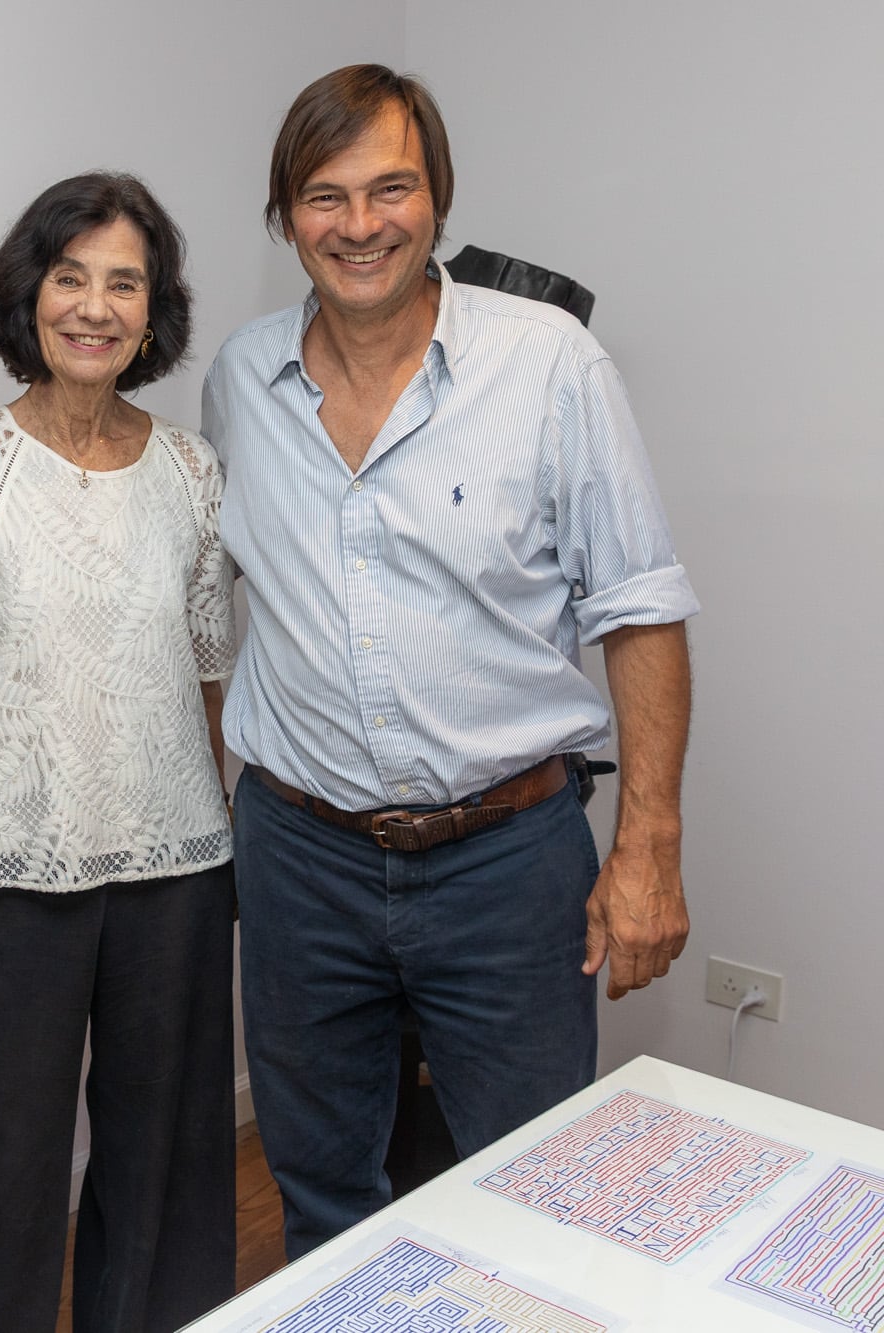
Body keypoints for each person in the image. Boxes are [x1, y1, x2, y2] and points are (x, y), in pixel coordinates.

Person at [202, 64, 698, 1259]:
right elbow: (217, 605)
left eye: (390, 188)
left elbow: (638, 611)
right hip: (300, 862)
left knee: (535, 1202)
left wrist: (646, 850)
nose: (359, 225)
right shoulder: (236, 380)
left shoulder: (548, 363)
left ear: (436, 199)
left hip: (507, 866)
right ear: (285, 217)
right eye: (324, 196)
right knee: (322, 1195)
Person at [0, 172, 237, 1333]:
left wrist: (229, 845)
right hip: (15, 878)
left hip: (175, 872)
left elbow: (207, 679)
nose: (93, 306)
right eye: (69, 276)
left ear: (152, 308)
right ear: (28, 293)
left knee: (167, 1161)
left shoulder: (189, 470)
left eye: (122, 281)